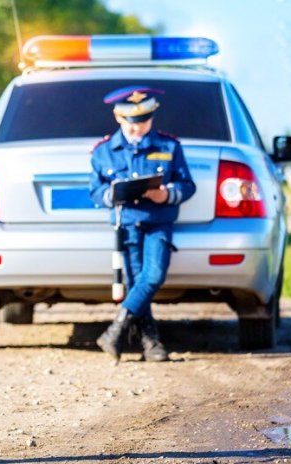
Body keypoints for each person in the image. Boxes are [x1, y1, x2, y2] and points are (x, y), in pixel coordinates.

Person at [89, 85, 195, 363]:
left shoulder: (169, 146)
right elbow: (95, 192)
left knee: (154, 276)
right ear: (118, 117)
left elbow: (187, 185)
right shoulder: (103, 152)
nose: (139, 128)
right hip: (127, 225)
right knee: (137, 282)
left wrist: (166, 194)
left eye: (144, 121)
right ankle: (151, 343)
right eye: (132, 123)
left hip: (158, 223)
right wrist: (113, 194)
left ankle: (115, 330)